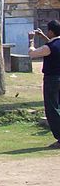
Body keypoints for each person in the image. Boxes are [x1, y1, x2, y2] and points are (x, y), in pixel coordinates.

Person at [28, 20, 60, 148]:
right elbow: (54, 45)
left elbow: (32, 54)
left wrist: (31, 40)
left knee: (52, 109)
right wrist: (44, 37)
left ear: (51, 31)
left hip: (52, 80)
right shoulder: (54, 44)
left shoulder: (48, 48)